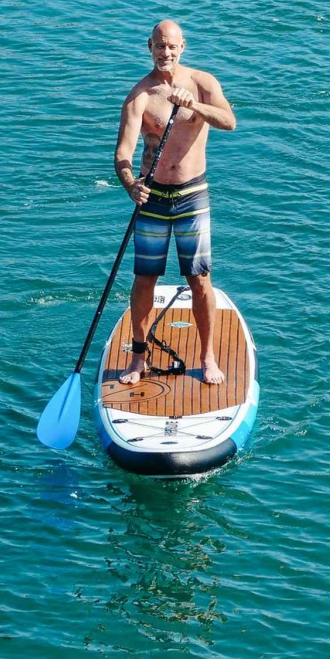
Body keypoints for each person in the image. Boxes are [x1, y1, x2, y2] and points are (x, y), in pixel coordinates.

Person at [113, 20, 237, 385]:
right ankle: (139, 357)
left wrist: (195, 106)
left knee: (199, 278)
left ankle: (208, 356)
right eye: (159, 46)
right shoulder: (139, 95)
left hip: (191, 195)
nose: (165, 52)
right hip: (152, 196)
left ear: (182, 47)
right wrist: (130, 184)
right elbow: (123, 152)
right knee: (145, 277)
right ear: (149, 46)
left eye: (172, 46)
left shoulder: (202, 82)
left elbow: (229, 121)